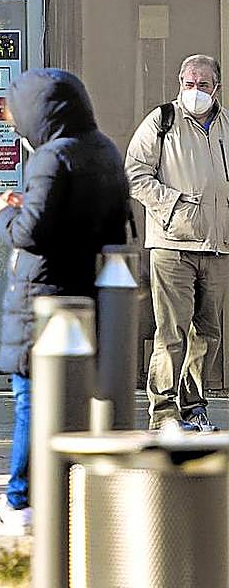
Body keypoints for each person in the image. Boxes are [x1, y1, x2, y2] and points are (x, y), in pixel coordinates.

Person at [0, 68, 128, 537]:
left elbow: (31, 233)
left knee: (29, 400)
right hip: (89, 295)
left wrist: (4, 213)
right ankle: (71, 495)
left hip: (45, 296)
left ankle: (19, 502)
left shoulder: (52, 157)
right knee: (75, 400)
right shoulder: (103, 151)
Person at [125, 53, 229, 432]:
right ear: (179, 84)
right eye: (189, 83)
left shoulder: (226, 126)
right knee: (171, 334)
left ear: (216, 87)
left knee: (208, 334)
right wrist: (174, 205)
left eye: (203, 84)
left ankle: (195, 407)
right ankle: (164, 414)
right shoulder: (162, 121)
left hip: (218, 246)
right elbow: (135, 173)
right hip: (173, 244)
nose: (196, 90)